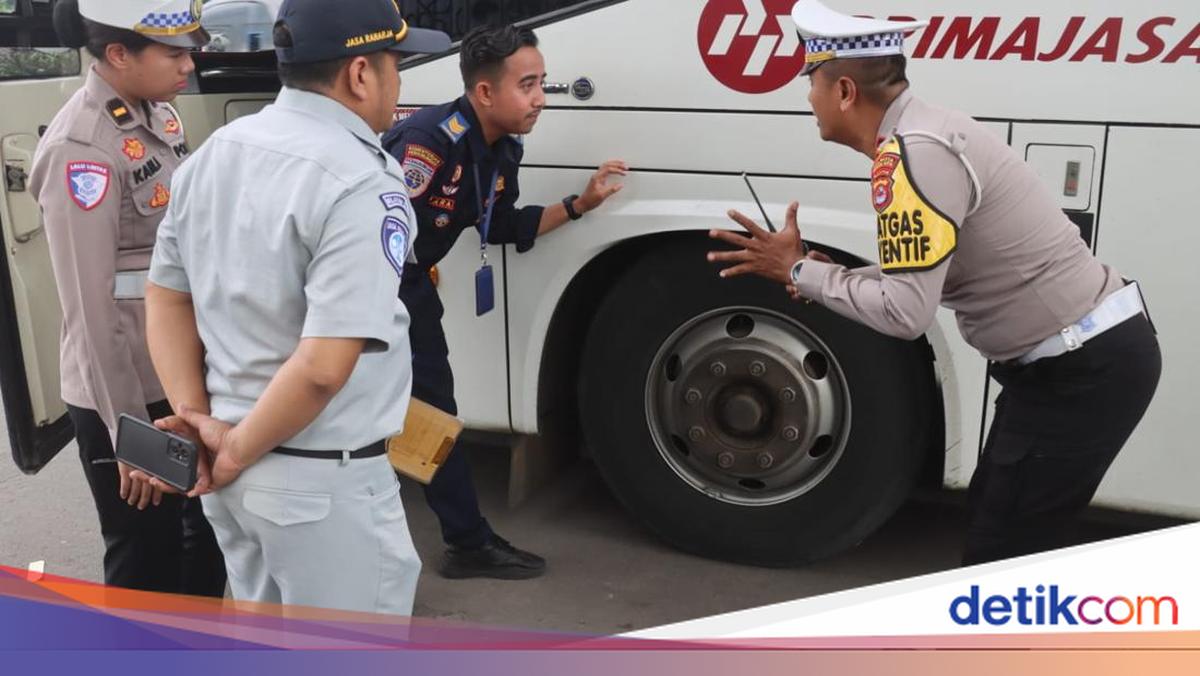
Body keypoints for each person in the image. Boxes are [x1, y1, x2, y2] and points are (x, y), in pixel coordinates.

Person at [707, 0, 1162, 566]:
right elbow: (930, 272)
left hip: (1080, 374)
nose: (808, 99)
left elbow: (905, 312)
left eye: (811, 82)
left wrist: (800, 271)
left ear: (845, 91)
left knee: (1003, 555)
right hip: (1070, 365)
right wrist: (829, 276)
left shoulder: (912, 157)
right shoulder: (924, 133)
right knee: (996, 524)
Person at [139, 0, 450, 614]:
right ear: (360, 74)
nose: (399, 83)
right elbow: (322, 366)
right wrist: (230, 449)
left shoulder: (214, 153)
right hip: (317, 485)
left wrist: (198, 419)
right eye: (395, 64)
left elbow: (167, 294)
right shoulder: (364, 180)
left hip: (230, 469)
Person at [381, 24, 626, 580]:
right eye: (529, 85)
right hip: (367, 291)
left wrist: (581, 203)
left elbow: (502, 226)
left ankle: (465, 543)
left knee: (435, 417)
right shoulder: (426, 141)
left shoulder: (503, 148)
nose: (541, 98)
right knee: (350, 418)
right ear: (485, 92)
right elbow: (363, 231)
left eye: (542, 83)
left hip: (410, 293)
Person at [28, 0, 225, 597]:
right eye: (174, 52)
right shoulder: (80, 148)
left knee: (205, 539)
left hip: (179, 374)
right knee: (147, 555)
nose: (189, 64)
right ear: (118, 54)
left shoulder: (155, 116)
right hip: (129, 392)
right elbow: (89, 312)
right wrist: (130, 438)